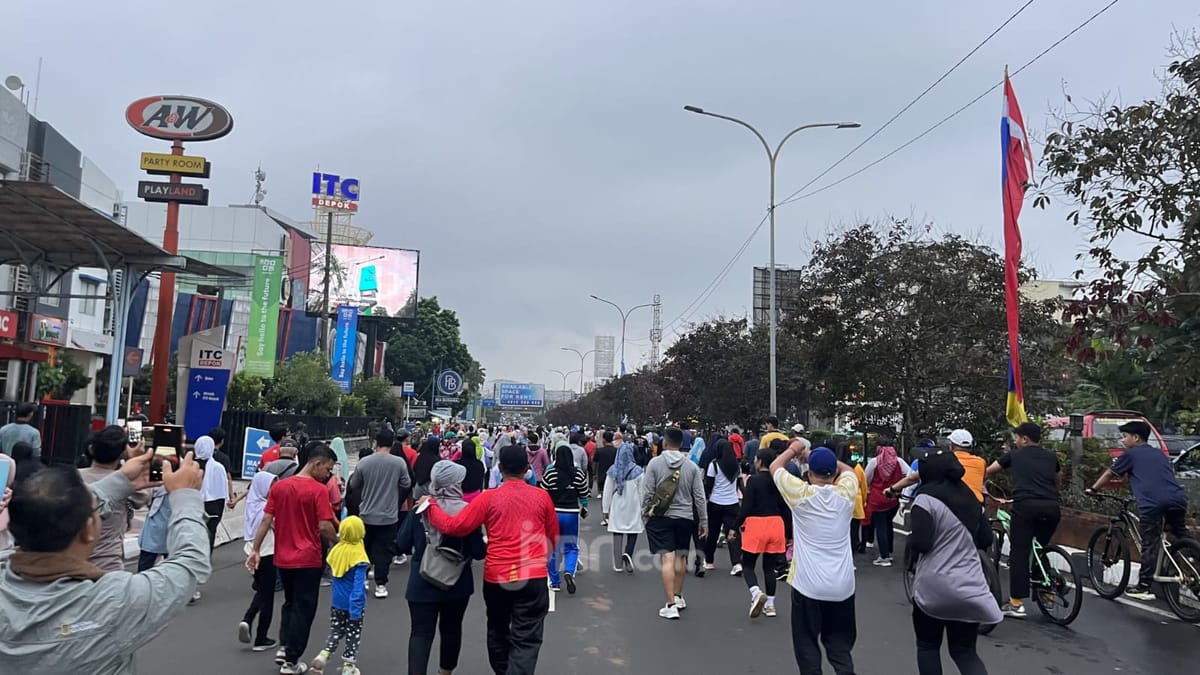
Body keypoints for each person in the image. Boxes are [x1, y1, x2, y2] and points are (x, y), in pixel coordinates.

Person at [0, 446, 209, 673]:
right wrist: (185, 495)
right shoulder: (114, 599)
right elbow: (189, 562)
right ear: (89, 528)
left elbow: (46, 511)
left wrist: (120, 481)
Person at [421, 445, 558, 675]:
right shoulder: (542, 497)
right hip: (532, 576)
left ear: (500, 468)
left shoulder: (488, 498)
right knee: (527, 638)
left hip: (497, 577)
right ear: (527, 469)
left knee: (497, 631)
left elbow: (455, 527)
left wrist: (431, 506)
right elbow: (552, 536)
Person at [247, 443, 340, 675]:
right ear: (316, 464)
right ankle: (291, 659)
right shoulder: (317, 490)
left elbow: (266, 521)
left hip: (283, 558)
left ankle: (284, 646)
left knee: (289, 603)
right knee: (304, 608)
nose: (328, 475)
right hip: (308, 558)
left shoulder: (280, 487)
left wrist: (255, 550)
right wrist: (339, 544)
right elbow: (324, 525)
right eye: (328, 470)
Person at [907, 449, 1000, 674]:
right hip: (969, 588)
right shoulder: (970, 496)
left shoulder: (924, 499)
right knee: (964, 652)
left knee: (928, 647)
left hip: (933, 589)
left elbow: (922, 543)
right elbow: (987, 538)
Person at [771, 445, 859, 675]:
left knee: (806, 644)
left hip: (808, 585)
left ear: (809, 474)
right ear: (834, 473)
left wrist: (793, 449)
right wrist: (821, 457)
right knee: (840, 647)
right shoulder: (847, 492)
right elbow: (848, 470)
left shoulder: (801, 494)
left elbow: (775, 467)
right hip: (843, 585)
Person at [396, 461, 486, 675]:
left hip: (422, 579)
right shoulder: (468, 511)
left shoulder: (422, 507)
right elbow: (478, 551)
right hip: (457, 582)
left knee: (420, 633)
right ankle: (445, 671)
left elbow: (401, 544)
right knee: (452, 628)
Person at [1088, 420, 1189, 600]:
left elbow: (1110, 473)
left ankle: (1143, 587)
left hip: (1153, 503)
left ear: (1136, 437)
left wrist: (1093, 489)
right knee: (1181, 535)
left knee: (1150, 543)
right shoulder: (1159, 454)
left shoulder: (1131, 454)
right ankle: (1192, 559)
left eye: (1125, 436)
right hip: (1177, 498)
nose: (1122, 440)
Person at [985, 421, 1060, 619]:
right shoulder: (1051, 457)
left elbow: (989, 471)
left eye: (1017, 438)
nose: (1015, 441)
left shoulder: (1014, 455)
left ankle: (1016, 603)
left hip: (1026, 507)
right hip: (1052, 507)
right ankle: (1048, 593)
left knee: (1020, 552)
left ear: (1025, 439)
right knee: (1038, 549)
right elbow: (1057, 478)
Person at [640, 427, 708, 619]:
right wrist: (703, 521)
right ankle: (678, 596)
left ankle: (670, 605)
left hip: (661, 517)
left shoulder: (654, 464)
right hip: (685, 517)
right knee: (681, 557)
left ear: (665, 442)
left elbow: (647, 493)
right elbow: (700, 497)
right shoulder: (691, 466)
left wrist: (644, 515)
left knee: (666, 559)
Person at [347, 429, 413, 600]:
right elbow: (406, 483)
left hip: (366, 513)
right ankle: (381, 585)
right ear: (392, 443)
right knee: (383, 552)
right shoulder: (398, 463)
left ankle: (363, 581)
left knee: (365, 549)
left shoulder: (364, 462)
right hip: (389, 515)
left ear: (376, 442)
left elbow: (354, 484)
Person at [78, 426, 151, 572]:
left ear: (91, 449)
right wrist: (135, 459)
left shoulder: (73, 478)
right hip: (108, 564)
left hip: (75, 562)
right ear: (123, 453)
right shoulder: (128, 485)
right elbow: (144, 495)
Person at [311, 516, 370, 675]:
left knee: (336, 630)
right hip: (353, 604)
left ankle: (323, 655)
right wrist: (356, 609)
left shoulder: (336, 552)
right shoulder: (359, 557)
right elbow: (358, 587)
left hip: (336, 602)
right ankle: (348, 666)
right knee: (353, 635)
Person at [737, 445, 789, 619]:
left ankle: (755, 592)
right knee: (769, 567)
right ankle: (771, 605)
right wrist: (789, 533)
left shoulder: (753, 480)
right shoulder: (779, 480)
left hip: (756, 524)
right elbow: (785, 508)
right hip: (776, 524)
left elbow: (746, 507)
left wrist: (734, 525)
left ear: (759, 461)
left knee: (748, 565)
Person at [239, 470, 281, 652]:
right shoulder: (267, 507)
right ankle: (261, 637)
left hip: (250, 551)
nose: (275, 488)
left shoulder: (252, 503)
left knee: (262, 591)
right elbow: (275, 526)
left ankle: (247, 619)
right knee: (268, 595)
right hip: (267, 552)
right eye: (272, 485)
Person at [540, 440, 589, 594]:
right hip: (572, 513)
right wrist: (584, 506)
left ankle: (555, 582)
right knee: (571, 547)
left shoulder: (550, 473)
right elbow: (584, 493)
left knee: (552, 547)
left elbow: (543, 492)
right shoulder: (578, 473)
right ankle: (569, 571)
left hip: (553, 513)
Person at [890, 430, 986, 505]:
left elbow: (912, 479)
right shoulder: (981, 463)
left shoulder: (943, 461)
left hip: (951, 506)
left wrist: (892, 489)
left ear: (951, 446)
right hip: (977, 506)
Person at [866, 437, 911, 567]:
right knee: (888, 525)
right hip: (893, 498)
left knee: (880, 527)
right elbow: (910, 475)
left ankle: (884, 556)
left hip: (877, 499)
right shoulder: (899, 461)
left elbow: (866, 478)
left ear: (879, 448)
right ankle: (889, 551)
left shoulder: (874, 462)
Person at [703, 439, 744, 575]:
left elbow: (708, 485)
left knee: (713, 533)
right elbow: (739, 485)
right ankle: (737, 563)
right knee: (732, 534)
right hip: (732, 504)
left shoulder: (713, 465)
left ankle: (709, 561)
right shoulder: (737, 466)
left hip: (715, 503)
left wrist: (704, 499)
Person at [195, 436, 230, 551]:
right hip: (214, 506)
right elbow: (221, 491)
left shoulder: (190, 466)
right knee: (210, 532)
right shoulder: (218, 467)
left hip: (194, 504)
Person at [457, 437, 487, 503]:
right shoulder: (479, 464)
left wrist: (457, 454)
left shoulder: (457, 464)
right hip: (476, 498)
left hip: (459, 499)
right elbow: (481, 483)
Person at [594, 431, 619, 505]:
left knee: (604, 497)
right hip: (613, 476)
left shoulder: (599, 451)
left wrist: (594, 473)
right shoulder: (616, 451)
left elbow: (595, 463)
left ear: (604, 439)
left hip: (601, 475)